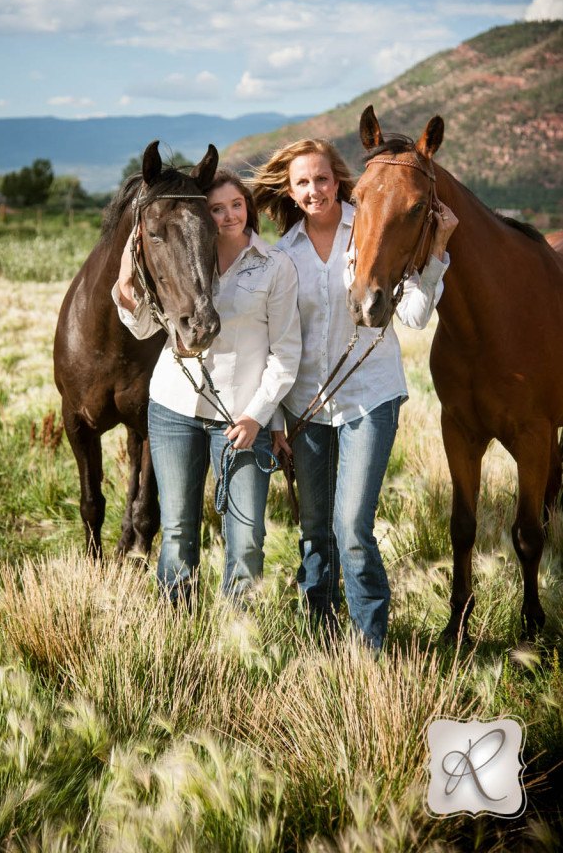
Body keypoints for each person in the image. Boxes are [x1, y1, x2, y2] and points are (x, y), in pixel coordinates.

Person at [253, 139, 458, 649]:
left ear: (338, 180)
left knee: (352, 528)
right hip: (306, 407)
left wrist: (435, 256)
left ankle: (371, 646)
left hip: (369, 399)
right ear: (291, 189)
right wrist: (277, 420)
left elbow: (412, 317)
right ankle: (319, 640)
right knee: (315, 530)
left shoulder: (371, 222)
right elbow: (278, 343)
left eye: (322, 178)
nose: (314, 189)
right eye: (302, 182)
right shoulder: (285, 254)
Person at [113, 168, 301, 604]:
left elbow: (285, 355)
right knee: (178, 528)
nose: (229, 215)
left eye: (236, 205)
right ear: (203, 215)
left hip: (240, 418)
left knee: (247, 532)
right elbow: (144, 329)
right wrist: (125, 285)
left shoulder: (275, 267)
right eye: (216, 209)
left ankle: (240, 633)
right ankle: (176, 625)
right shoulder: (185, 257)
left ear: (248, 209)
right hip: (173, 408)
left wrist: (258, 416)